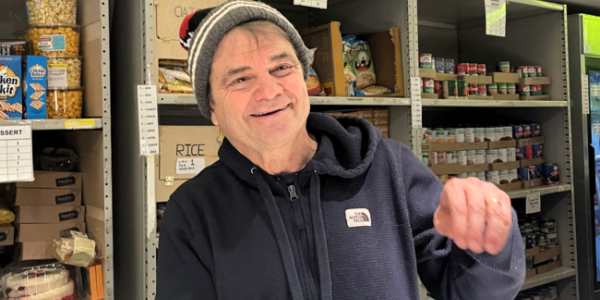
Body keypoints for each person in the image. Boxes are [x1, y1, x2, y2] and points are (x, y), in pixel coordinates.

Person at [157, 1, 525, 299]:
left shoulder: (389, 169)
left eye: (281, 67)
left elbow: (475, 292)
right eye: (240, 78)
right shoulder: (193, 212)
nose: (269, 91)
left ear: (304, 81)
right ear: (212, 109)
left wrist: (491, 234)